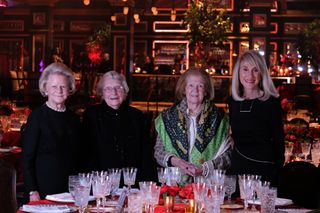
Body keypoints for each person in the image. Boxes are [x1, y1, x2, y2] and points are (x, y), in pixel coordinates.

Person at [154, 68, 233, 179]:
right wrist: (177, 162)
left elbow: (229, 156)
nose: (195, 90)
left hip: (209, 187)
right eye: (190, 85)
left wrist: (206, 168)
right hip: (175, 187)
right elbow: (158, 152)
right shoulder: (168, 117)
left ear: (206, 91)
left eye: (200, 86)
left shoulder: (219, 118)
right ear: (184, 89)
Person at [82, 71, 156, 183]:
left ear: (125, 91)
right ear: (101, 93)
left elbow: (145, 154)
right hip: (101, 183)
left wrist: (148, 184)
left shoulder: (137, 116)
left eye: (118, 87)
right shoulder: (91, 115)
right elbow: (87, 154)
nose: (114, 92)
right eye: (108, 88)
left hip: (133, 183)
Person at [22, 63, 81, 202]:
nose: (59, 90)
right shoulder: (36, 117)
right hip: (42, 190)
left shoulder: (74, 119)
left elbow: (79, 157)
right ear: (45, 89)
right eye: (54, 86)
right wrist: (32, 191)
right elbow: (26, 159)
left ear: (69, 89)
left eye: (63, 86)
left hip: (70, 191)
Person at [228, 50, 284, 186]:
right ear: (238, 72)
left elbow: (279, 140)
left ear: (262, 73)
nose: (250, 75)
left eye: (255, 70)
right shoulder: (233, 101)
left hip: (265, 169)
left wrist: (276, 172)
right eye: (245, 69)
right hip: (238, 167)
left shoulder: (271, 102)